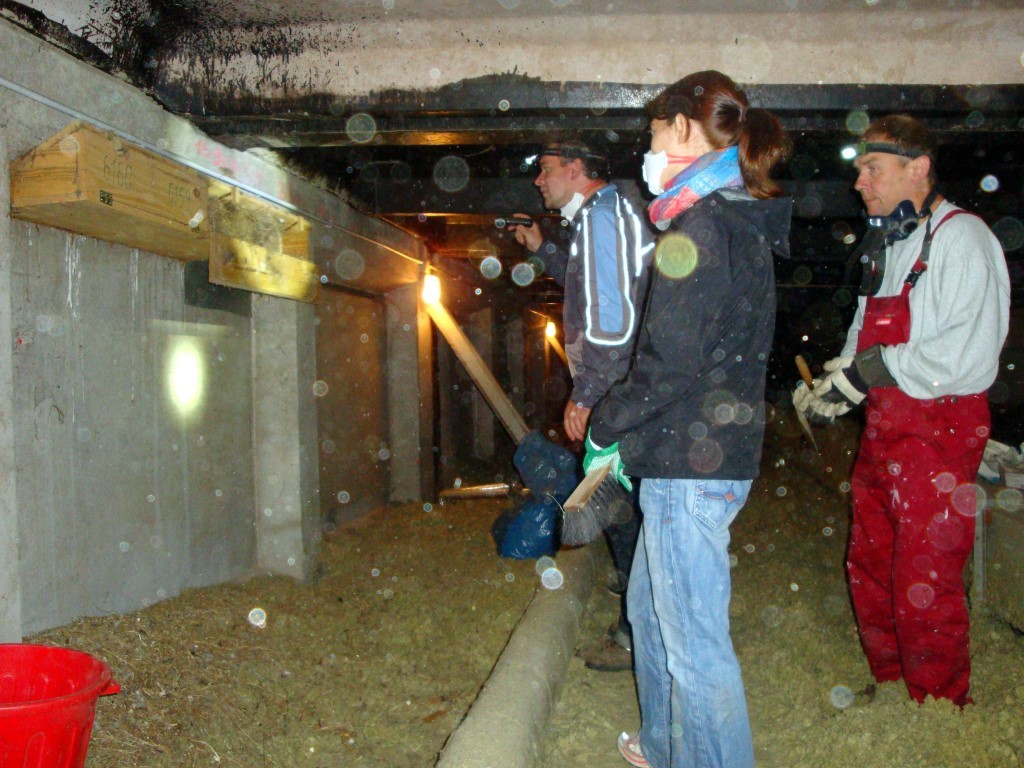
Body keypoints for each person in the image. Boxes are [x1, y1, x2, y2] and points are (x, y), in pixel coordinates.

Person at [585, 71, 792, 768]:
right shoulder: (728, 214)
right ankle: (665, 745)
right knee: (649, 614)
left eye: (651, 133)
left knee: (694, 644)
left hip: (690, 466)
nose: (647, 150)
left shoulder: (702, 224)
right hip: (697, 454)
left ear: (680, 130)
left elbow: (670, 359)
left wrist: (606, 427)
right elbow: (696, 359)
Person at [793, 114, 1010, 707]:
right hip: (888, 430)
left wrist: (866, 374)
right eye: (860, 169)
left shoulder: (961, 238)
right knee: (870, 560)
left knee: (925, 576)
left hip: (939, 430)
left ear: (918, 168)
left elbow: (964, 353)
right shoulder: (890, 241)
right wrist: (836, 383)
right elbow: (867, 331)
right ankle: (892, 685)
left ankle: (938, 702)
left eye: (872, 168)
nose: (860, 182)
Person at [511, 136, 654, 671]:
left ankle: (636, 632)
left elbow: (612, 321)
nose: (539, 180)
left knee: (625, 505)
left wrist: (589, 393)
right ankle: (632, 607)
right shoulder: (602, 214)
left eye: (546, 169)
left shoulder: (602, 215)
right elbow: (591, 279)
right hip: (624, 384)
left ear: (576, 168)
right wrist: (543, 249)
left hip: (617, 388)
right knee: (621, 504)